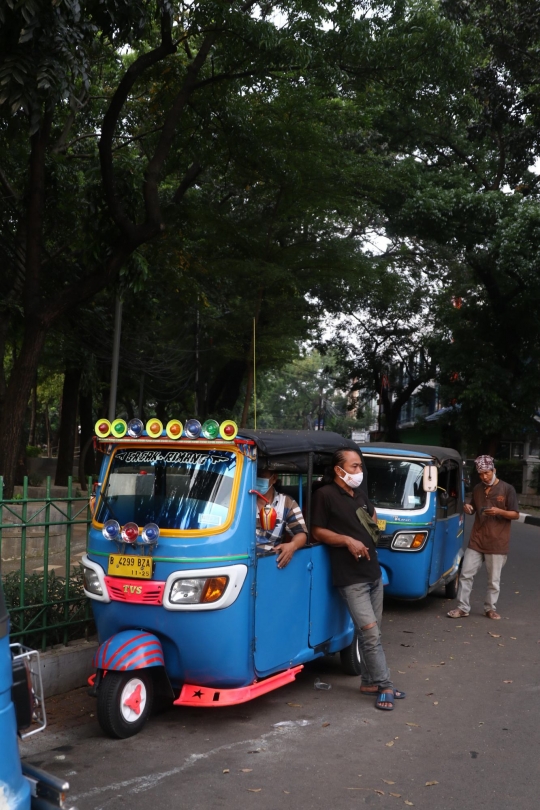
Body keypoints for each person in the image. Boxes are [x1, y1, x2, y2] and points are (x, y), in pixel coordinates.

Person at [311, 448, 405, 712]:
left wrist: (368, 529)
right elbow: (317, 531)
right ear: (338, 470)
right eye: (354, 467)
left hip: (373, 573)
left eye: (360, 467)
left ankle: (368, 682)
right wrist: (347, 540)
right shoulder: (325, 495)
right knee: (370, 634)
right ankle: (385, 685)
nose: (359, 472)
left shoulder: (360, 494)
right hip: (351, 578)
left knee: (373, 634)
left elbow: (371, 518)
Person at [447, 454, 519, 620]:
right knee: (465, 574)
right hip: (477, 540)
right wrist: (469, 509)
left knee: (493, 580)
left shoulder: (507, 489)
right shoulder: (478, 489)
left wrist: (499, 511)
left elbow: (515, 514)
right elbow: (474, 507)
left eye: (487, 473)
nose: (484, 476)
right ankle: (463, 607)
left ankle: (490, 608)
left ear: (494, 470)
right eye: (481, 474)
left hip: (497, 542)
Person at [255, 468, 307, 568]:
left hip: (270, 562)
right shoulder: (238, 501)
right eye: (253, 474)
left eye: (261, 475)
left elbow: (301, 534)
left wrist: (292, 546)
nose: (256, 478)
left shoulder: (287, 503)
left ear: (274, 478)